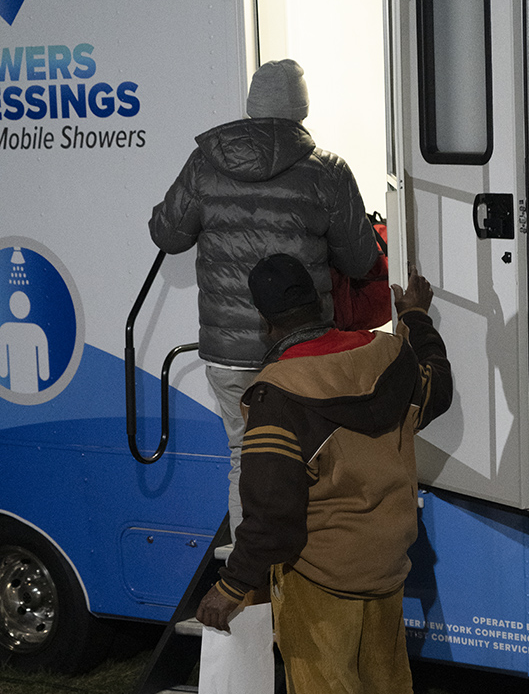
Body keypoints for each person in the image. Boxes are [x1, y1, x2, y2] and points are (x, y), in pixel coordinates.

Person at [196, 254, 453, 694]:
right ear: (317, 302)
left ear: (265, 322)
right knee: (388, 679)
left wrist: (232, 588)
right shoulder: (387, 355)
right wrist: (415, 318)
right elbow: (436, 387)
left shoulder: (276, 395)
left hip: (321, 571)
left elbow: (274, 519)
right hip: (388, 558)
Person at [148, 59, 379, 536]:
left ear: (253, 104)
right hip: (302, 349)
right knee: (310, 456)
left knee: (245, 458)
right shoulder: (327, 171)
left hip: (230, 355)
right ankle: (303, 582)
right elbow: (360, 262)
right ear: (302, 108)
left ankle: (246, 581)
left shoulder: (205, 164)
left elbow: (166, 235)